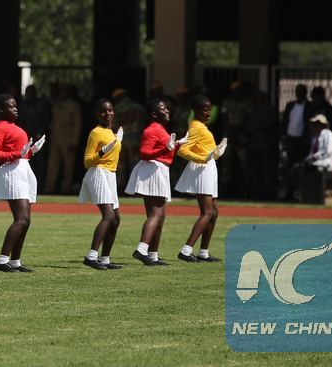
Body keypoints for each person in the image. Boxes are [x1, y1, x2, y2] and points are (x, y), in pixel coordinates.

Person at [0, 94, 45, 273]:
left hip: (23, 170)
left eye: (15, 106)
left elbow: (20, 153)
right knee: (22, 219)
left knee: (25, 221)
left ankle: (15, 261)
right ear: (1, 110)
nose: (15, 109)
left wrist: (31, 151)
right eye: (11, 107)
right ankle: (2, 260)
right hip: (12, 172)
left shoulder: (15, 127)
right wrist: (17, 154)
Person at [126, 99, 183, 266]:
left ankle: (153, 255)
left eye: (167, 108)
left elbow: (165, 151)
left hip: (159, 170)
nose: (167, 111)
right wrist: (168, 148)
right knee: (155, 215)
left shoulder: (160, 129)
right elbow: (144, 153)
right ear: (154, 114)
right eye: (163, 109)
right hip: (153, 170)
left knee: (160, 216)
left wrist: (177, 145)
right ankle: (141, 250)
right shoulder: (152, 130)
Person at [175, 95, 226, 264]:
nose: (208, 113)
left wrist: (217, 152)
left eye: (209, 109)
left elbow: (205, 150)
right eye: (204, 110)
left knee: (214, 212)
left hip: (208, 168)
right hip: (202, 170)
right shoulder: (197, 127)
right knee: (208, 212)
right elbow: (182, 150)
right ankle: (186, 250)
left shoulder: (201, 126)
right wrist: (202, 159)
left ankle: (203, 252)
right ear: (195, 111)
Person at [79, 100, 124, 271]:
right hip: (98, 173)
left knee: (116, 219)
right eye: (103, 111)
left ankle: (105, 259)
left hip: (110, 175)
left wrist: (117, 141)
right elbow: (87, 161)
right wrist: (102, 152)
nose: (108, 114)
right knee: (109, 216)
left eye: (110, 110)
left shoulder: (112, 132)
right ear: (97, 114)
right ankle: (91, 256)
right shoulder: (96, 132)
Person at [46, 84, 81, 195]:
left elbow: (77, 125)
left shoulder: (74, 106)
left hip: (68, 140)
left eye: (63, 92)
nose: (61, 94)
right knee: (52, 165)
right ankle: (49, 187)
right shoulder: (56, 104)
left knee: (68, 167)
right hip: (55, 139)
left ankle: (66, 188)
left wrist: (74, 141)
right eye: (60, 92)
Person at [280, 84, 309, 198]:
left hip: (302, 141)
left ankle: (300, 191)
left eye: (301, 91)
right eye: (297, 91)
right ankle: (289, 192)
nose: (299, 93)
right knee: (289, 166)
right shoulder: (290, 105)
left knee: (300, 167)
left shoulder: (308, 106)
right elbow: (285, 121)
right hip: (291, 140)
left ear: (305, 93)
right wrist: (284, 137)